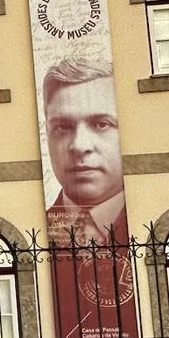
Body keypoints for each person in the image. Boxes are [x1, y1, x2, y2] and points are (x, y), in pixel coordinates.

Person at [41, 56, 126, 244]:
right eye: (63, 127)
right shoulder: (34, 232)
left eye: (101, 124)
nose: (79, 146)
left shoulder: (151, 219)